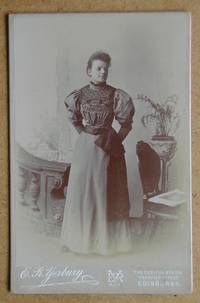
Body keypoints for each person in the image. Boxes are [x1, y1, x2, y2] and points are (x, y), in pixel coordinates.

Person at [60, 51, 135, 255]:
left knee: (103, 192)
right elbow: (74, 120)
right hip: (85, 148)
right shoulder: (79, 95)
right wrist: (86, 136)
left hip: (107, 148)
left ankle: (104, 244)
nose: (103, 72)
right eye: (98, 68)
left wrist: (113, 142)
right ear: (89, 71)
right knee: (83, 191)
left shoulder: (116, 94)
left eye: (105, 68)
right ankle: (80, 242)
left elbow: (126, 124)